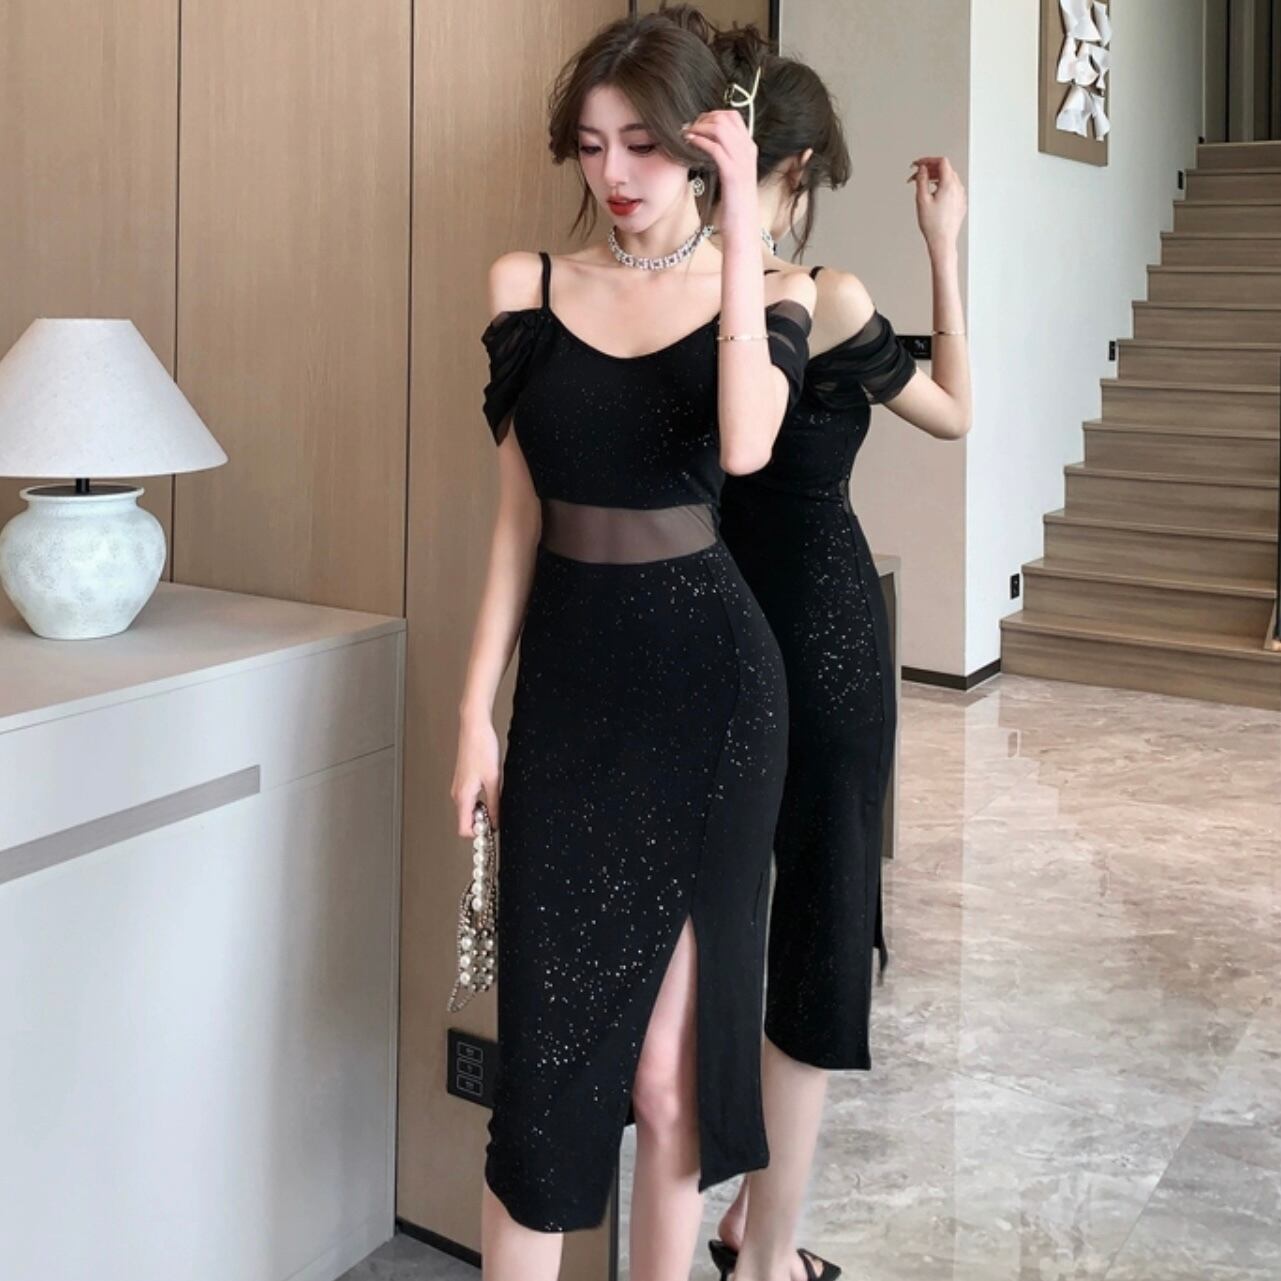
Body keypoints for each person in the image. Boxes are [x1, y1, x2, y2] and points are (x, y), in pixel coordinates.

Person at [450, 13, 817, 1280]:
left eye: (647, 146)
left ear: (705, 147)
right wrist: (474, 710)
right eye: (593, 145)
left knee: (670, 1082)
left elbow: (748, 442)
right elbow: (518, 519)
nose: (615, 173)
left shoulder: (775, 292)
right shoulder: (526, 287)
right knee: (545, 1077)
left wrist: (737, 227)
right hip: (569, 694)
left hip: (714, 699)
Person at [675, 15, 973, 1281]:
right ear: (795, 172)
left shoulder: (660, 290)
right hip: (826, 642)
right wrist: (944, 249)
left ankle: (740, 1223)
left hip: (700, 632)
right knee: (816, 930)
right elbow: (952, 412)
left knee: (718, 932)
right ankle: (771, 1253)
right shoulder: (822, 296)